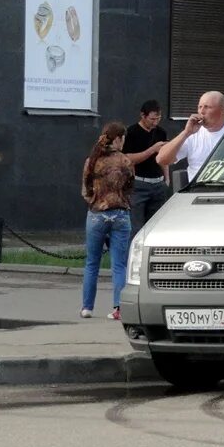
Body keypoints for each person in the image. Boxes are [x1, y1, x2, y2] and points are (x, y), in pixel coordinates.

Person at [80, 122, 134, 320]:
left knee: (92, 263)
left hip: (96, 214)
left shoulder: (92, 160)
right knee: (119, 265)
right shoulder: (125, 161)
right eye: (123, 139)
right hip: (120, 214)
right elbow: (130, 186)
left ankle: (87, 308)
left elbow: (85, 188)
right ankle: (118, 308)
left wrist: (94, 202)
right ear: (118, 139)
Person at [123, 99, 169, 235]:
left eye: (158, 119)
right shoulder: (131, 132)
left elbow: (164, 157)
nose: (155, 122)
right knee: (136, 227)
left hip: (158, 182)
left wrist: (167, 178)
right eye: (152, 119)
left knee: (155, 226)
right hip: (139, 183)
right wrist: (151, 150)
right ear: (143, 115)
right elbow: (128, 159)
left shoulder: (161, 132)